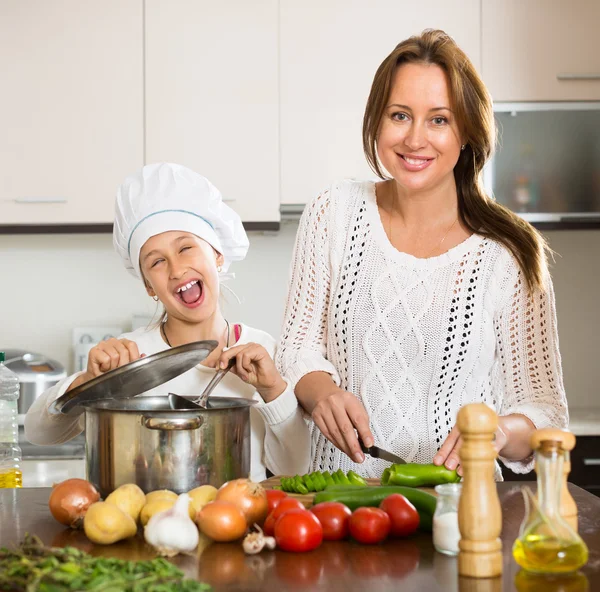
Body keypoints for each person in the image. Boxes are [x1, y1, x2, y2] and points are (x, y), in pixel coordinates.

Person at [276, 29, 568, 479]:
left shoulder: (509, 253)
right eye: (399, 115)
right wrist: (322, 394)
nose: (415, 139)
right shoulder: (331, 214)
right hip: (341, 500)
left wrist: (497, 432)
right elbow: (297, 348)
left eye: (439, 119)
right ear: (377, 120)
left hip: (461, 507)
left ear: (467, 131)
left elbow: (545, 413)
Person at [25, 162, 311, 482]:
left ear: (217, 254)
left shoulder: (264, 352)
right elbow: (39, 432)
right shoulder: (131, 358)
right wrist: (88, 383)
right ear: (149, 286)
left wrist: (273, 388)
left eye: (186, 247)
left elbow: (296, 469)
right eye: (157, 261)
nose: (176, 269)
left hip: (241, 524)